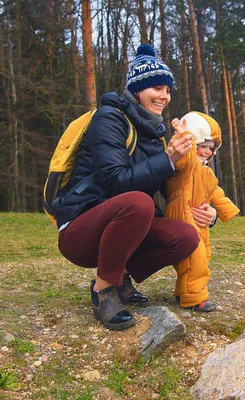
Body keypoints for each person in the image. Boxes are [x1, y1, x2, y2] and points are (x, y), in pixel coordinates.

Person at [53, 44, 217, 330]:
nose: (164, 96)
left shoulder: (154, 134)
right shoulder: (109, 119)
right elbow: (115, 181)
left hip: (123, 226)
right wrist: (167, 158)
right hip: (81, 228)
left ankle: (121, 277)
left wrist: (210, 214)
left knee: (185, 236)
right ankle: (103, 289)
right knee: (137, 203)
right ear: (137, 89)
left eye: (168, 90)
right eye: (156, 88)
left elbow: (170, 194)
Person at [165, 112, 240, 312]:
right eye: (203, 146)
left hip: (199, 218)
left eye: (211, 148)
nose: (207, 152)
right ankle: (195, 297)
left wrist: (224, 210)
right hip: (183, 212)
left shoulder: (206, 171)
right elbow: (181, 157)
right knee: (194, 255)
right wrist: (183, 135)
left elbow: (215, 192)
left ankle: (184, 291)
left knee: (202, 255)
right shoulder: (187, 164)